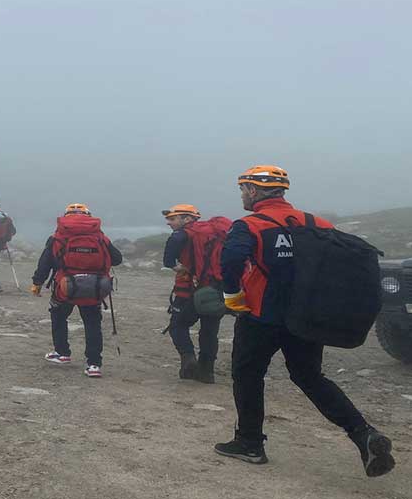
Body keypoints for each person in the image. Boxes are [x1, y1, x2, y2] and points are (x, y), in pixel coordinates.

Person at [214, 165, 395, 477]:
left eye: (244, 189)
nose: (242, 194)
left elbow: (230, 260)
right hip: (307, 316)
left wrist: (232, 295)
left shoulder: (249, 225)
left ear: (255, 191)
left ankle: (250, 443)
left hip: (261, 316)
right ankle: (363, 434)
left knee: (248, 375)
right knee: (310, 377)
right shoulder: (317, 223)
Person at [30, 203, 123, 378]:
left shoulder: (57, 237)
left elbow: (45, 263)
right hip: (94, 287)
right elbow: (117, 259)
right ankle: (94, 365)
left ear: (65, 217)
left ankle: (62, 353)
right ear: (89, 216)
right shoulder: (101, 237)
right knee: (92, 323)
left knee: (58, 317)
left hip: (64, 286)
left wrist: (37, 283)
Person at [161, 203, 229, 383]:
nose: (169, 222)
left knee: (177, 325)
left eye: (173, 218)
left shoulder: (184, 233)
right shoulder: (215, 233)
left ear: (188, 218)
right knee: (209, 331)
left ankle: (188, 359)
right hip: (215, 289)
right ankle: (207, 372)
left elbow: (171, 251)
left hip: (188, 290)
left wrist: (173, 265)